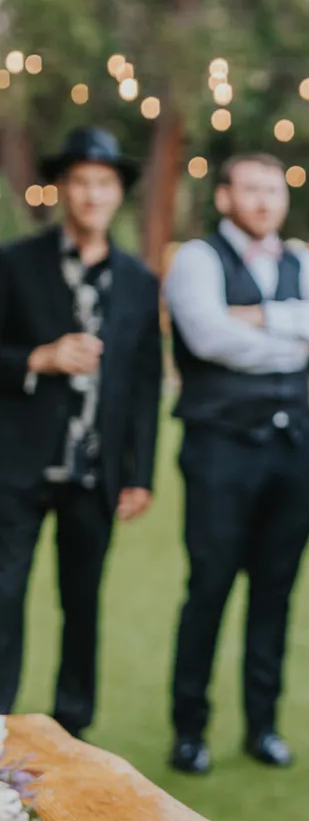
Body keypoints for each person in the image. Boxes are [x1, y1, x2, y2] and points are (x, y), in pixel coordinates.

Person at [163, 153, 309, 774]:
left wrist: (265, 318)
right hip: (218, 452)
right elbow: (209, 337)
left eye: (273, 189)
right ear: (225, 198)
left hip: (293, 456)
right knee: (209, 588)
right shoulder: (196, 260)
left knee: (275, 593)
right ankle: (189, 731)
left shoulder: (302, 261)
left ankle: (262, 726)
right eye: (250, 188)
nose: (264, 200)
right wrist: (292, 342)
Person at [0, 127, 161, 739]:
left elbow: (144, 385)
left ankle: (72, 730)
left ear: (117, 193)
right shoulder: (15, 263)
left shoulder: (140, 282)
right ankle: (0, 724)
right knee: (4, 598)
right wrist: (36, 359)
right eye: (80, 182)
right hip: (17, 466)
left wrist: (140, 472)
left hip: (94, 471)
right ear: (62, 188)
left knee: (82, 605)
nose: (91, 195)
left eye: (103, 183)